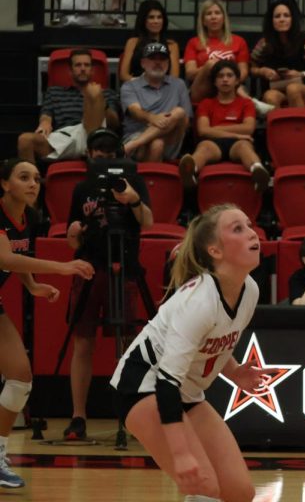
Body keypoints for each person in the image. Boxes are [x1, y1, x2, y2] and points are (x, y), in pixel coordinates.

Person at [111, 204, 267, 501]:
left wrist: (234, 371)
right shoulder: (198, 300)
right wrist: (181, 453)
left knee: (240, 492)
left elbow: (212, 343)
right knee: (204, 486)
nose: (252, 233)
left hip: (185, 391)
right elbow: (167, 383)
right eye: (237, 229)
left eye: (249, 224)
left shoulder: (250, 290)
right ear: (215, 251)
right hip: (143, 385)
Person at [0, 158, 94, 488]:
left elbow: (16, 255)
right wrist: (64, 268)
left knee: (21, 378)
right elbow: (5, 258)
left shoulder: (27, 217)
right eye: (23, 177)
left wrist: (32, 285)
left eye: (37, 178)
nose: (33, 183)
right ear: (4, 184)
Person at [62, 128, 154, 442]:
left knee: (129, 344)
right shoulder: (81, 188)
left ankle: (132, 414)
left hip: (125, 268)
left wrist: (133, 199)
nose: (103, 165)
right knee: (83, 342)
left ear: (119, 158)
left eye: (108, 159)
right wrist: (73, 230)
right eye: (98, 159)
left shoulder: (133, 181)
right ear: (89, 157)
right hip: (89, 267)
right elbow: (72, 237)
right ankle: (78, 416)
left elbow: (149, 222)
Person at [178, 60, 271, 193]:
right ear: (214, 82)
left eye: (229, 75)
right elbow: (203, 131)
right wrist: (236, 134)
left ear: (237, 81)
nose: (225, 79)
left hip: (238, 143)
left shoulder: (246, 103)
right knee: (204, 148)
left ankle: (258, 172)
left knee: (244, 147)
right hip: (213, 144)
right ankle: (190, 172)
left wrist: (214, 129)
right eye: (220, 76)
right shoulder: (206, 103)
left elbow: (248, 128)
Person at [17, 48, 120, 162]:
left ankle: (92, 153)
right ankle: (34, 178)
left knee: (92, 98)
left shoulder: (106, 93)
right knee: (25, 140)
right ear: (70, 71)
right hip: (65, 137)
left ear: (92, 71)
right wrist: (45, 122)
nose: (83, 69)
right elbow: (46, 115)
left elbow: (114, 123)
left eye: (87, 65)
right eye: (78, 65)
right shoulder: (54, 92)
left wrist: (99, 100)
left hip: (97, 136)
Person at [249, 0, 305, 109]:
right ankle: (279, 126)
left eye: (286, 15)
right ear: (271, 21)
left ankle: (298, 126)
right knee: (270, 96)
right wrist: (262, 71)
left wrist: (302, 74)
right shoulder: (264, 43)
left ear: (293, 19)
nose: (282, 19)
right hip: (275, 88)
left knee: (293, 89)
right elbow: (252, 68)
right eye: (277, 16)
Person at [120, 42, 193, 162]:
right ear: (143, 63)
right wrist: (152, 118)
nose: (158, 62)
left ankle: (132, 146)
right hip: (136, 134)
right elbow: (135, 111)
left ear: (168, 64)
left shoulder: (179, 84)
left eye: (162, 59)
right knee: (157, 144)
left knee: (179, 112)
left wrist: (166, 124)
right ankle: (151, 178)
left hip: (171, 139)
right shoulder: (130, 86)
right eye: (152, 59)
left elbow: (186, 121)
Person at [184, 0, 252, 105]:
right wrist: (209, 67)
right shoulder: (193, 42)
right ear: (203, 21)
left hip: (231, 88)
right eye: (209, 14)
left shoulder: (239, 41)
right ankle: (251, 101)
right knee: (212, 63)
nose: (213, 17)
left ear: (224, 18)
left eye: (217, 13)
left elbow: (243, 73)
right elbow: (190, 73)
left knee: (223, 73)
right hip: (201, 91)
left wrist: (225, 78)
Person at [120, 0, 181, 84]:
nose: (156, 21)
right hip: (137, 88)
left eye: (159, 17)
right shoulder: (132, 42)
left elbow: (174, 77)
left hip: (163, 90)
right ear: (143, 20)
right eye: (151, 17)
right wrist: (144, 83)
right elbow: (124, 75)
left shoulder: (172, 45)